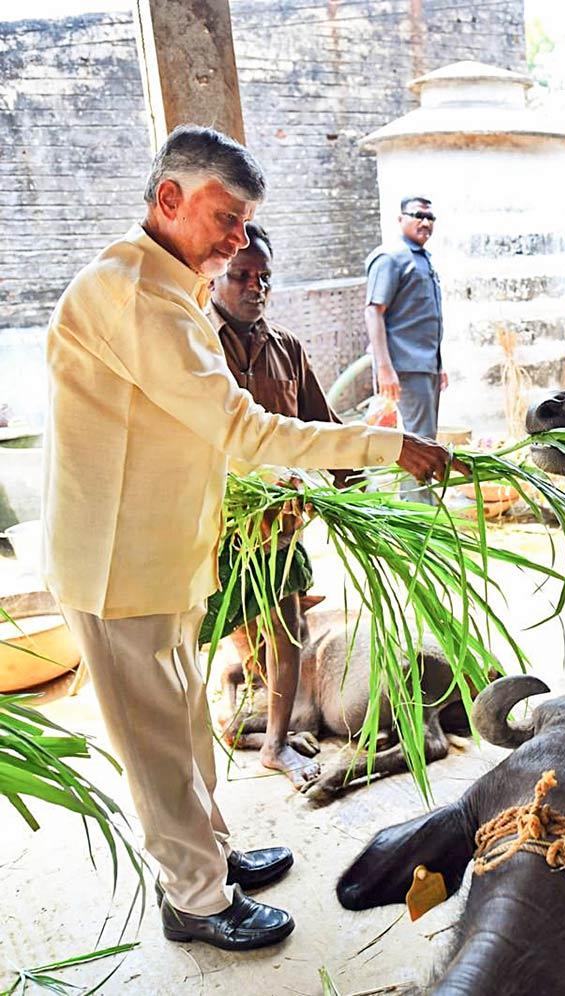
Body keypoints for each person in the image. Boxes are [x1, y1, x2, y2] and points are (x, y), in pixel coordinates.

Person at [42, 125, 463, 952]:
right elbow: (237, 426)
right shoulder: (130, 296)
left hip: (160, 558)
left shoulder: (171, 288)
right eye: (226, 218)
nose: (239, 238)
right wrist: (385, 445)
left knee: (189, 724)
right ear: (169, 199)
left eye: (245, 223)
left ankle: (215, 858)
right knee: (158, 747)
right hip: (113, 567)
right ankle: (196, 902)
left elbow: (190, 432)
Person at [209, 220, 342, 791]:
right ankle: (196, 759)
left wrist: (358, 484)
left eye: (263, 277)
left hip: (278, 526)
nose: (253, 286)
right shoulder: (193, 343)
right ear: (215, 277)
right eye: (241, 275)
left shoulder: (288, 349)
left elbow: (321, 427)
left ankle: (275, 742)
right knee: (199, 638)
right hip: (209, 528)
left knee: (288, 632)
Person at [364, 196, 447, 500]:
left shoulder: (422, 258)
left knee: (425, 440)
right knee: (417, 447)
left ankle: (420, 507)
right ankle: (418, 516)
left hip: (426, 367)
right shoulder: (391, 257)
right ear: (400, 219)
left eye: (430, 217)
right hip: (404, 370)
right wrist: (385, 368)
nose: (425, 222)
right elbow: (374, 311)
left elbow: (425, 320)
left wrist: (439, 366)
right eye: (417, 215)